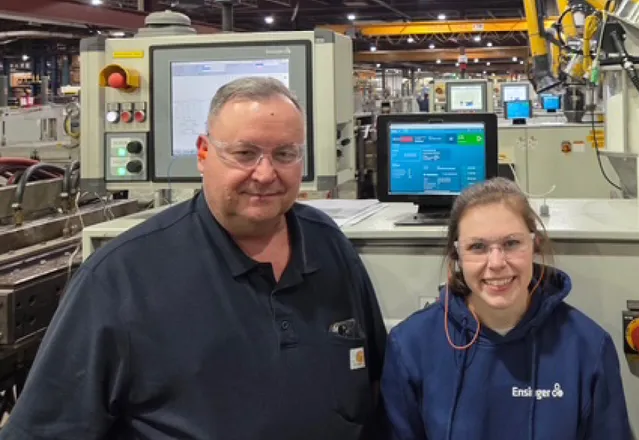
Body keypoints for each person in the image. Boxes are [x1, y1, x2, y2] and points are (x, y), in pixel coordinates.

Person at [0, 77, 387, 439]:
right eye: (245, 153)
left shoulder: (327, 244)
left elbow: (374, 382)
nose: (266, 174)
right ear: (204, 153)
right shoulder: (121, 279)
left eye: (285, 154)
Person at [380, 177, 633, 440]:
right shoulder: (410, 346)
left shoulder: (588, 348)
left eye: (511, 243)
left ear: (534, 245)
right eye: (477, 247)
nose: (496, 262)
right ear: (457, 255)